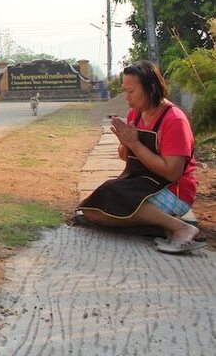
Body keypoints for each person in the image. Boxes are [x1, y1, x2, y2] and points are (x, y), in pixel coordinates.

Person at [77, 61, 204, 254]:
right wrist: (126, 142)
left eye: (131, 92)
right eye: (125, 91)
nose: (126, 98)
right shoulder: (135, 115)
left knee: (112, 196)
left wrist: (135, 144)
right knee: (92, 210)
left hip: (173, 191)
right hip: (140, 183)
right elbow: (124, 157)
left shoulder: (174, 120)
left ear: (151, 88)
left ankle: (181, 227)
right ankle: (161, 225)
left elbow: (172, 173)